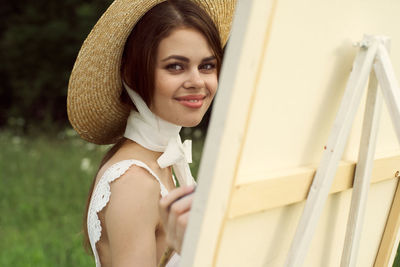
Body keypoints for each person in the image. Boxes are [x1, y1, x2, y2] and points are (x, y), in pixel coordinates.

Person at [67, 0, 235, 266]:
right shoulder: (134, 182)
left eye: (206, 66)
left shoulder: (162, 162)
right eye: (175, 66)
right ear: (132, 74)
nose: (197, 81)